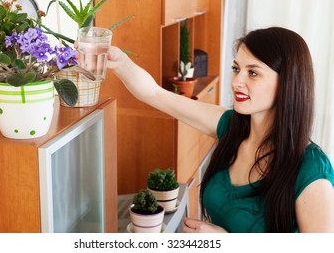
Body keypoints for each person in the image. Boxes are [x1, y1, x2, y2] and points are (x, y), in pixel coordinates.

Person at [83, 26, 334, 232]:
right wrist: (120, 62)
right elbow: (154, 94)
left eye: (253, 73)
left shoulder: (311, 168)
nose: (237, 81)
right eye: (236, 69)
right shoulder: (231, 128)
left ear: (288, 83)